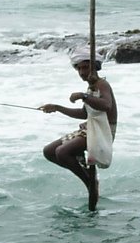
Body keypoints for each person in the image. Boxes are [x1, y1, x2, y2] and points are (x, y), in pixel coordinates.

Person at [40, 49, 118, 211]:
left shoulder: (101, 84)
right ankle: (88, 178)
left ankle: (90, 182)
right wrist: (57, 107)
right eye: (79, 69)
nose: (82, 72)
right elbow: (84, 113)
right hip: (91, 127)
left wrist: (84, 96)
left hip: (102, 131)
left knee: (62, 152)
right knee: (49, 151)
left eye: (86, 68)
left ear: (95, 68)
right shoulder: (91, 87)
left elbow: (106, 105)